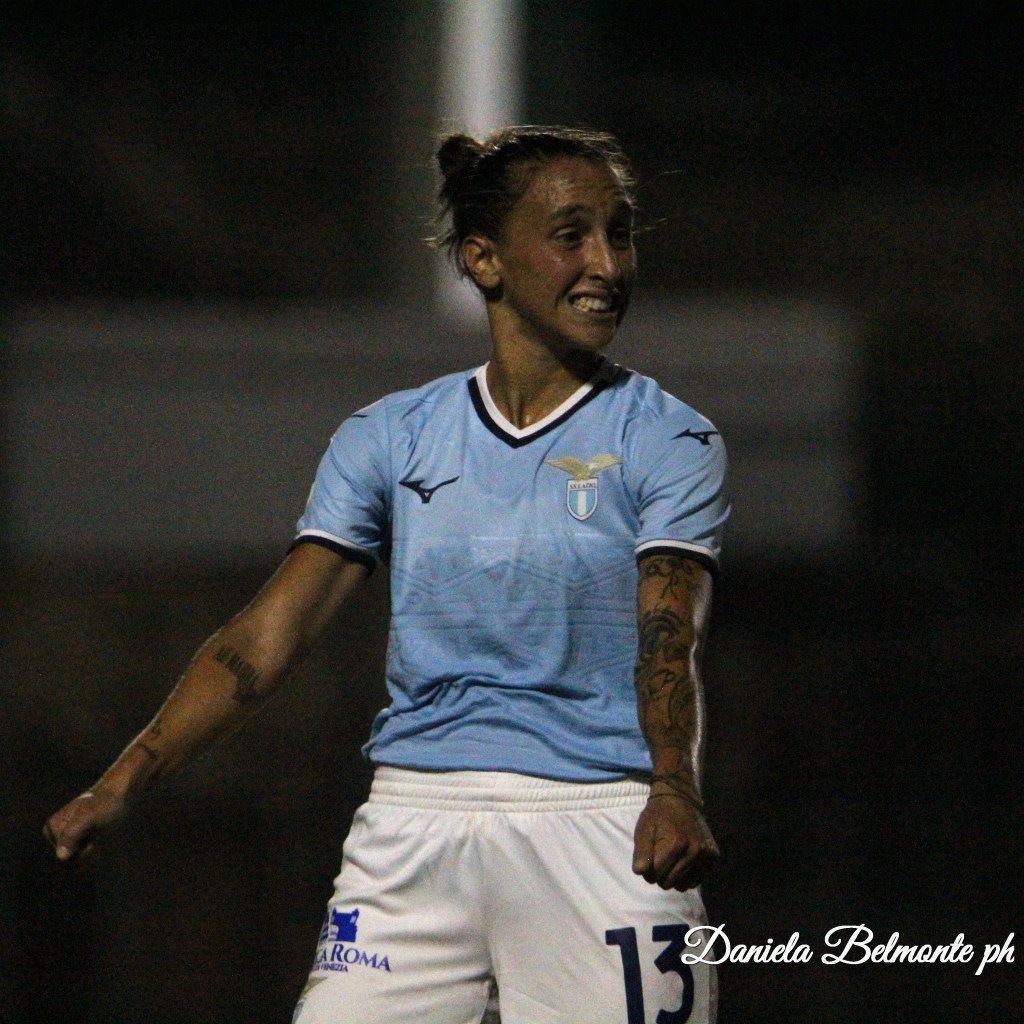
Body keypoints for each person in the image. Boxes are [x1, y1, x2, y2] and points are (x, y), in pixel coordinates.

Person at [44, 126, 729, 1024]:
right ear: (484, 259)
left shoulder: (670, 436)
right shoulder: (390, 435)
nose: (606, 263)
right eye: (572, 235)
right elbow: (267, 637)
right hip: (413, 830)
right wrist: (122, 781)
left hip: (605, 827)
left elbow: (667, 634)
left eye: (619, 234)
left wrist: (673, 787)